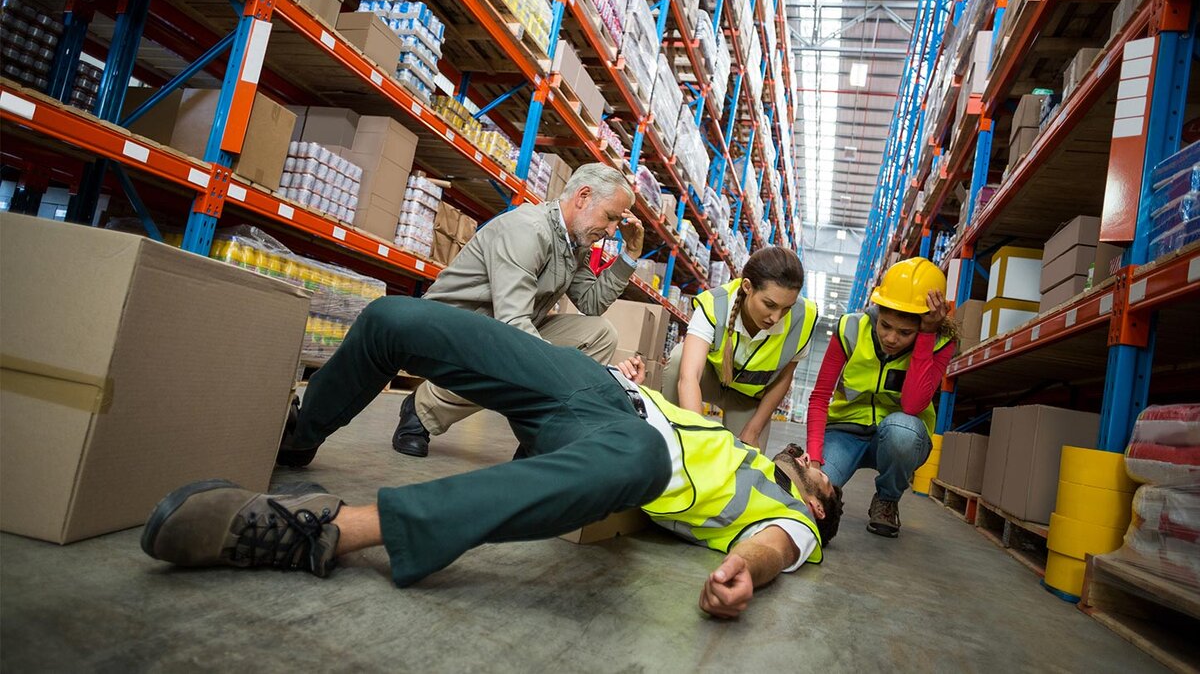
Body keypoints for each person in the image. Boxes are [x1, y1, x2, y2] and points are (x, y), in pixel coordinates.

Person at [142, 296, 843, 619]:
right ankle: (296, 439)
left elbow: (774, 549)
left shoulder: (792, 518)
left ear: (819, 503)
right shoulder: (742, 446)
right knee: (396, 321)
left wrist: (742, 575)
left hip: (622, 450)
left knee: (639, 458)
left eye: (823, 477)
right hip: (598, 390)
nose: (815, 461)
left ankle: (322, 532)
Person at [276, 163, 643, 467]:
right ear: (582, 197)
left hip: (497, 334)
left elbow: (592, 303)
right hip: (454, 327)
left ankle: (540, 440)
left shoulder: (573, 243)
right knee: (519, 357)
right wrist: (576, 374)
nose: (611, 231)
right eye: (610, 218)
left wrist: (630, 255)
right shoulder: (528, 230)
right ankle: (412, 412)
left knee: (599, 334)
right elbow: (512, 323)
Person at [805, 257, 957, 539]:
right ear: (877, 309)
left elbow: (913, 405)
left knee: (901, 431)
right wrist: (814, 461)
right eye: (885, 325)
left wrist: (925, 337)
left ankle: (887, 500)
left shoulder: (940, 343)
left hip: (901, 436)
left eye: (904, 332)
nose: (891, 338)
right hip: (845, 433)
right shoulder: (850, 328)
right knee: (813, 497)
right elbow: (820, 396)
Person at [662, 246, 818, 450]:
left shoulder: (802, 319)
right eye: (769, 305)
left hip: (749, 399)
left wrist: (753, 430)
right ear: (747, 287)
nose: (776, 317)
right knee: (678, 359)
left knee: (746, 463)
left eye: (786, 308)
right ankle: (671, 438)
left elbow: (783, 379)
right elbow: (689, 376)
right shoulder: (715, 305)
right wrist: (697, 438)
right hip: (711, 380)